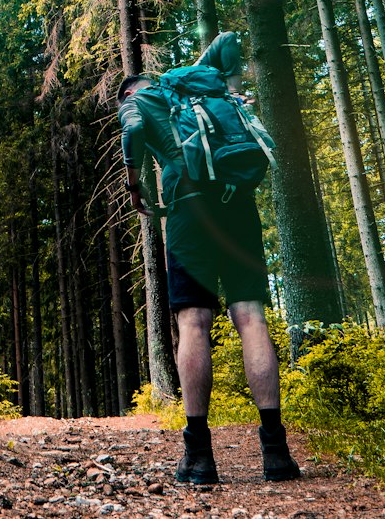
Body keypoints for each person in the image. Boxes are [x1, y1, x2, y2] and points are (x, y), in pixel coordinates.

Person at [118, 32, 300, 487]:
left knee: (193, 323)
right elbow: (229, 40)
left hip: (189, 211)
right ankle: (275, 452)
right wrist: (227, 83)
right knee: (251, 317)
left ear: (129, 90)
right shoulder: (194, 89)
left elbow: (134, 131)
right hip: (236, 202)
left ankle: (199, 457)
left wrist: (135, 183)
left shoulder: (141, 100)